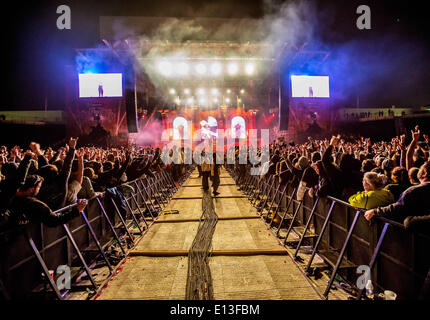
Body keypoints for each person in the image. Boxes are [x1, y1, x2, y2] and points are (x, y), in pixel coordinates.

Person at [364, 162, 430, 231]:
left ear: (424, 174)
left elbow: (396, 208)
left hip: (405, 238)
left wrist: (375, 212)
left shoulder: (413, 191)